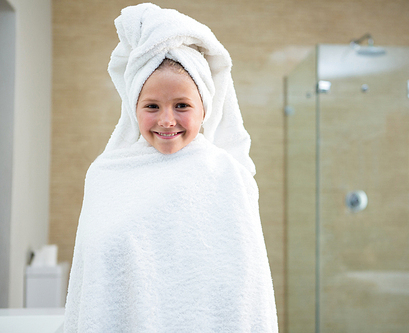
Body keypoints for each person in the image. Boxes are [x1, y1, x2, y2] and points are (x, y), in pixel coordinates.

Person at [63, 3, 278, 332]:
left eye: (182, 105)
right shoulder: (106, 175)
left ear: (204, 107)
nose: (166, 120)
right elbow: (94, 279)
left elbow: (244, 285)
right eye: (152, 105)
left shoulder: (226, 175)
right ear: (134, 107)